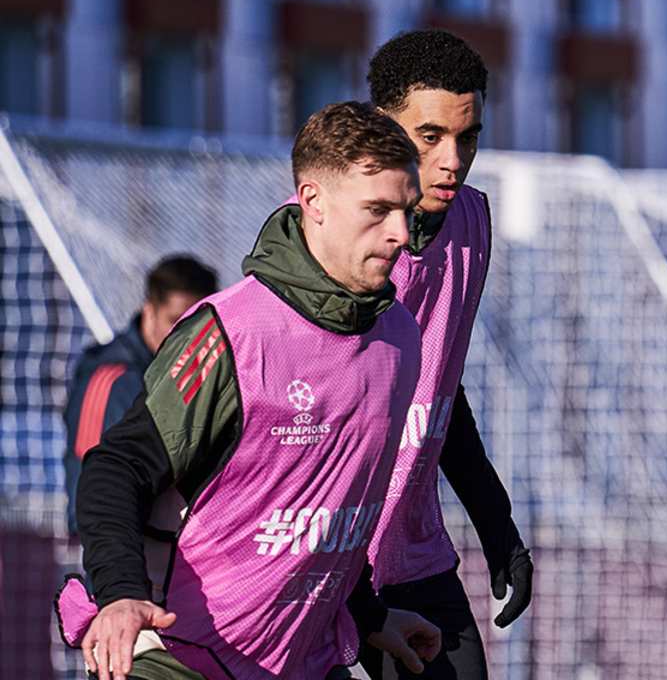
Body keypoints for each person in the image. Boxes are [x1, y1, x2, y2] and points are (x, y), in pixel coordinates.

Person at [57, 103, 442, 680]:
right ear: (313, 201)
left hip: (304, 658)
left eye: (407, 211)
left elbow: (335, 510)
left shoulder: (400, 338)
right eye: (378, 210)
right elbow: (116, 467)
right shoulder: (231, 332)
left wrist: (367, 615)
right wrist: (120, 595)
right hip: (179, 653)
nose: (401, 234)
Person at [356, 28, 533, 680]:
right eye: (429, 136)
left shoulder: (470, 223)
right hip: (321, 549)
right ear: (382, 125)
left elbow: (437, 394)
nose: (453, 160)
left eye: (469, 137)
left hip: (410, 544)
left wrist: (496, 525)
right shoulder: (327, 238)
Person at [61, 256, 218, 534]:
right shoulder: (112, 380)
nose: (187, 335)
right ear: (149, 311)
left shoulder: (205, 377)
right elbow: (91, 492)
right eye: (175, 321)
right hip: (121, 547)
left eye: (198, 323)